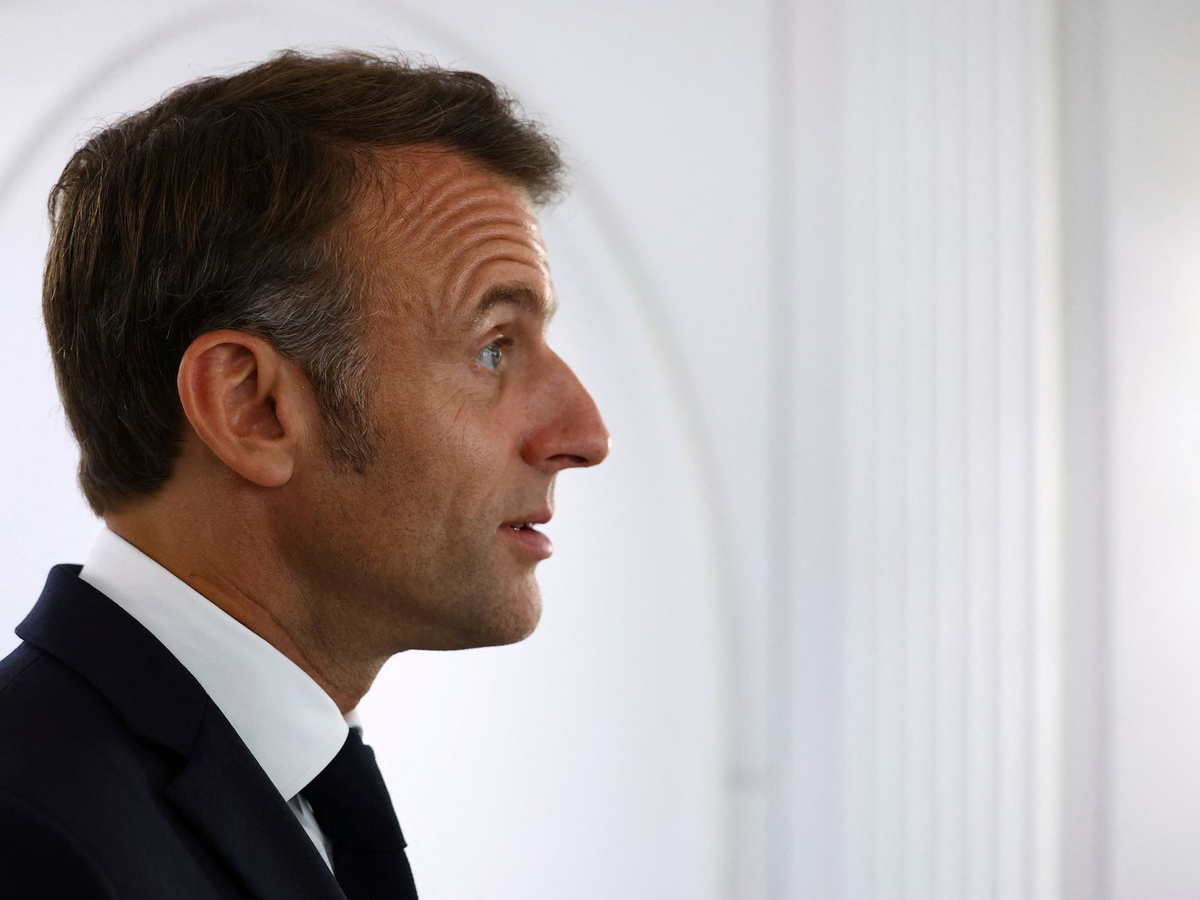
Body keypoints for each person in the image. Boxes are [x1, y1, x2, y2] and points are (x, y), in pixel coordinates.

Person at [0, 50, 610, 899]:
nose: (584, 435)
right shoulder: (27, 840)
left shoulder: (281, 789)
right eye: (493, 349)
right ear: (251, 408)